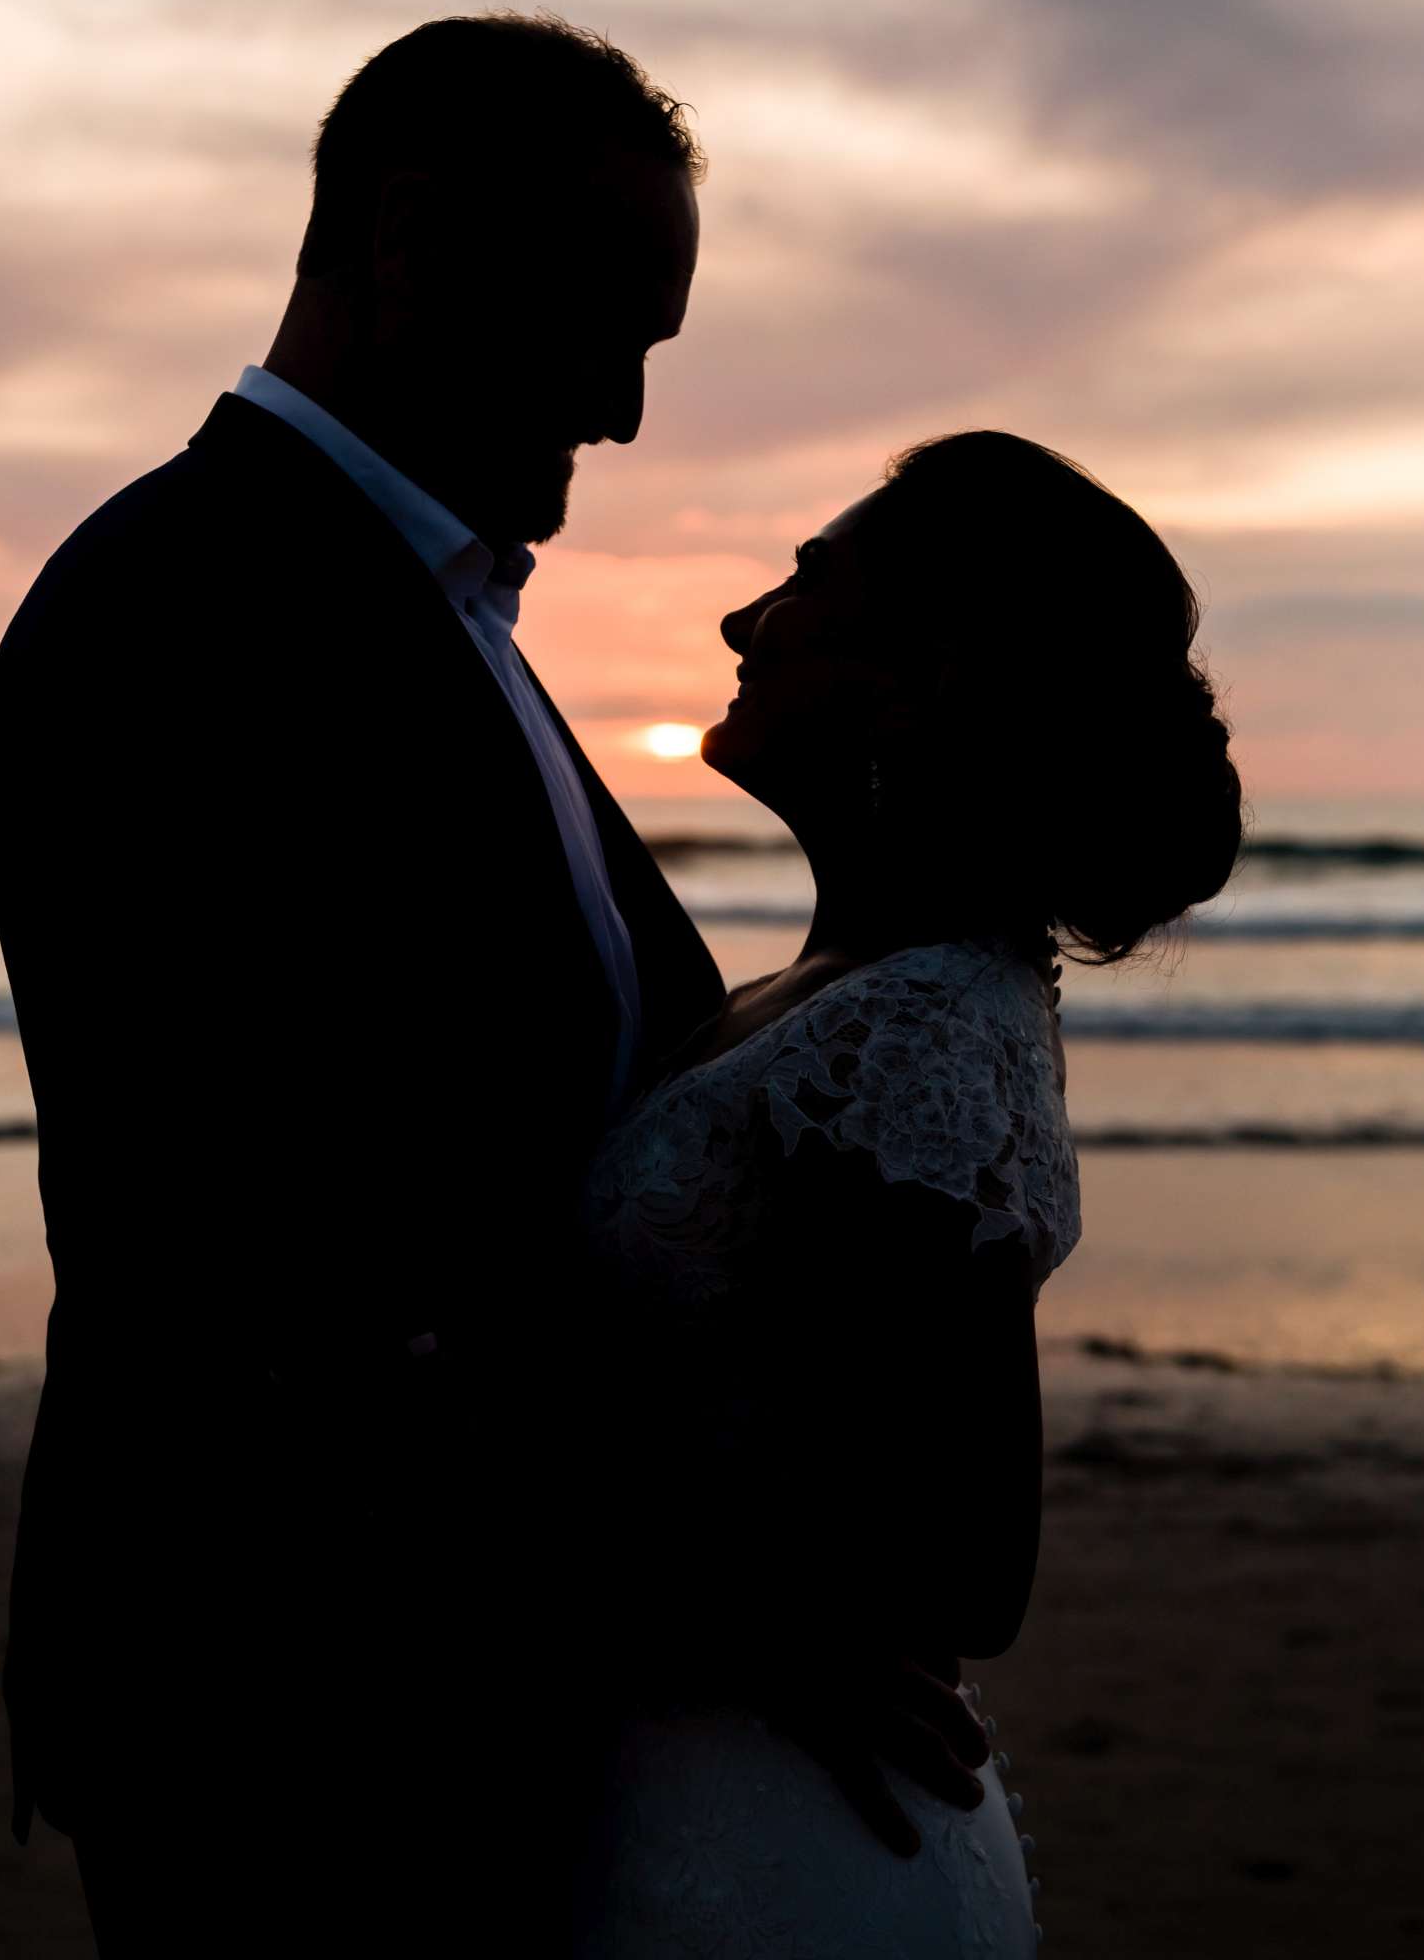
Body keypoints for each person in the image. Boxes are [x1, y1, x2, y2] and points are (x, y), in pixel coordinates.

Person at [0, 13, 990, 1952]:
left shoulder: (436, 619)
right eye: (602, 323)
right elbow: (265, 1261)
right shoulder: (187, 613)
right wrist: (728, 1587)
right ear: (412, 238)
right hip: (292, 1688)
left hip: (484, 1668)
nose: (618, 410)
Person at [573, 429, 1244, 1954]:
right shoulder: (829, 990)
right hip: (692, 1777)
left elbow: (959, 1557)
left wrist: (621, 1576)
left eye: (804, 583)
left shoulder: (919, 1023)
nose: (744, 624)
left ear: (925, 671)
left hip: (773, 1830)